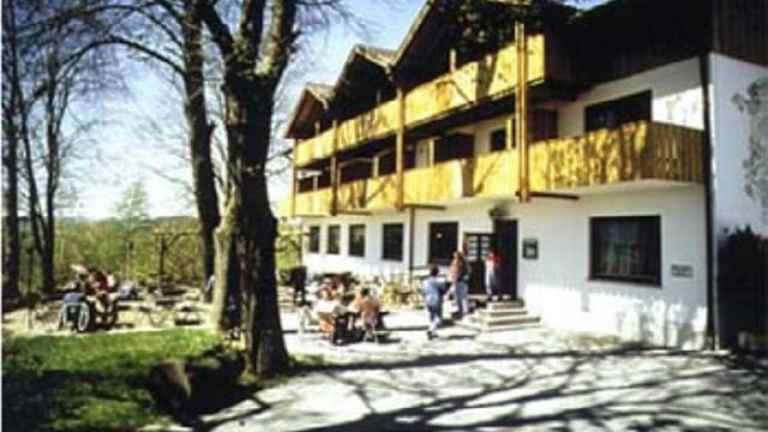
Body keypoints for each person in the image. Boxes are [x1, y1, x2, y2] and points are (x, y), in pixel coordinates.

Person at [423, 265, 446, 340]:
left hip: (427, 299)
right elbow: (442, 290)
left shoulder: (425, 281)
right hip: (435, 299)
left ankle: (434, 332)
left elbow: (423, 291)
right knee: (438, 317)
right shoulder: (437, 281)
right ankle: (430, 330)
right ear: (437, 273)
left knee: (431, 317)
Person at [449, 251, 470, 319]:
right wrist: (452, 277)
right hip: (456, 281)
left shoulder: (463, 263)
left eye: (456, 256)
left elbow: (467, 271)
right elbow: (452, 270)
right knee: (458, 298)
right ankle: (460, 312)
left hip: (461, 282)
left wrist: (464, 276)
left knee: (462, 297)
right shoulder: (454, 262)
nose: (455, 257)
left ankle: (464, 312)